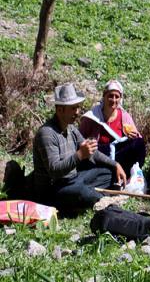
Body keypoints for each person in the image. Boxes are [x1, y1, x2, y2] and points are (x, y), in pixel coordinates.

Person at [32, 83, 127, 212]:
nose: (77, 112)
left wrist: (115, 164)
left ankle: (90, 195)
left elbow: (92, 152)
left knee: (108, 172)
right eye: (73, 108)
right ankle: (102, 200)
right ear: (60, 110)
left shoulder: (70, 128)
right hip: (53, 190)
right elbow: (54, 170)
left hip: (72, 179)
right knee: (79, 191)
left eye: (77, 107)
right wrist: (80, 155)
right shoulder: (47, 134)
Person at [79, 80, 146, 175]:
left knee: (139, 143)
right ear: (104, 96)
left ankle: (130, 174)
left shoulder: (124, 116)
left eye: (117, 97)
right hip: (99, 156)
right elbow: (79, 138)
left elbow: (136, 136)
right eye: (110, 96)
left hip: (119, 155)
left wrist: (133, 136)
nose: (113, 100)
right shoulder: (92, 117)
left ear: (120, 99)